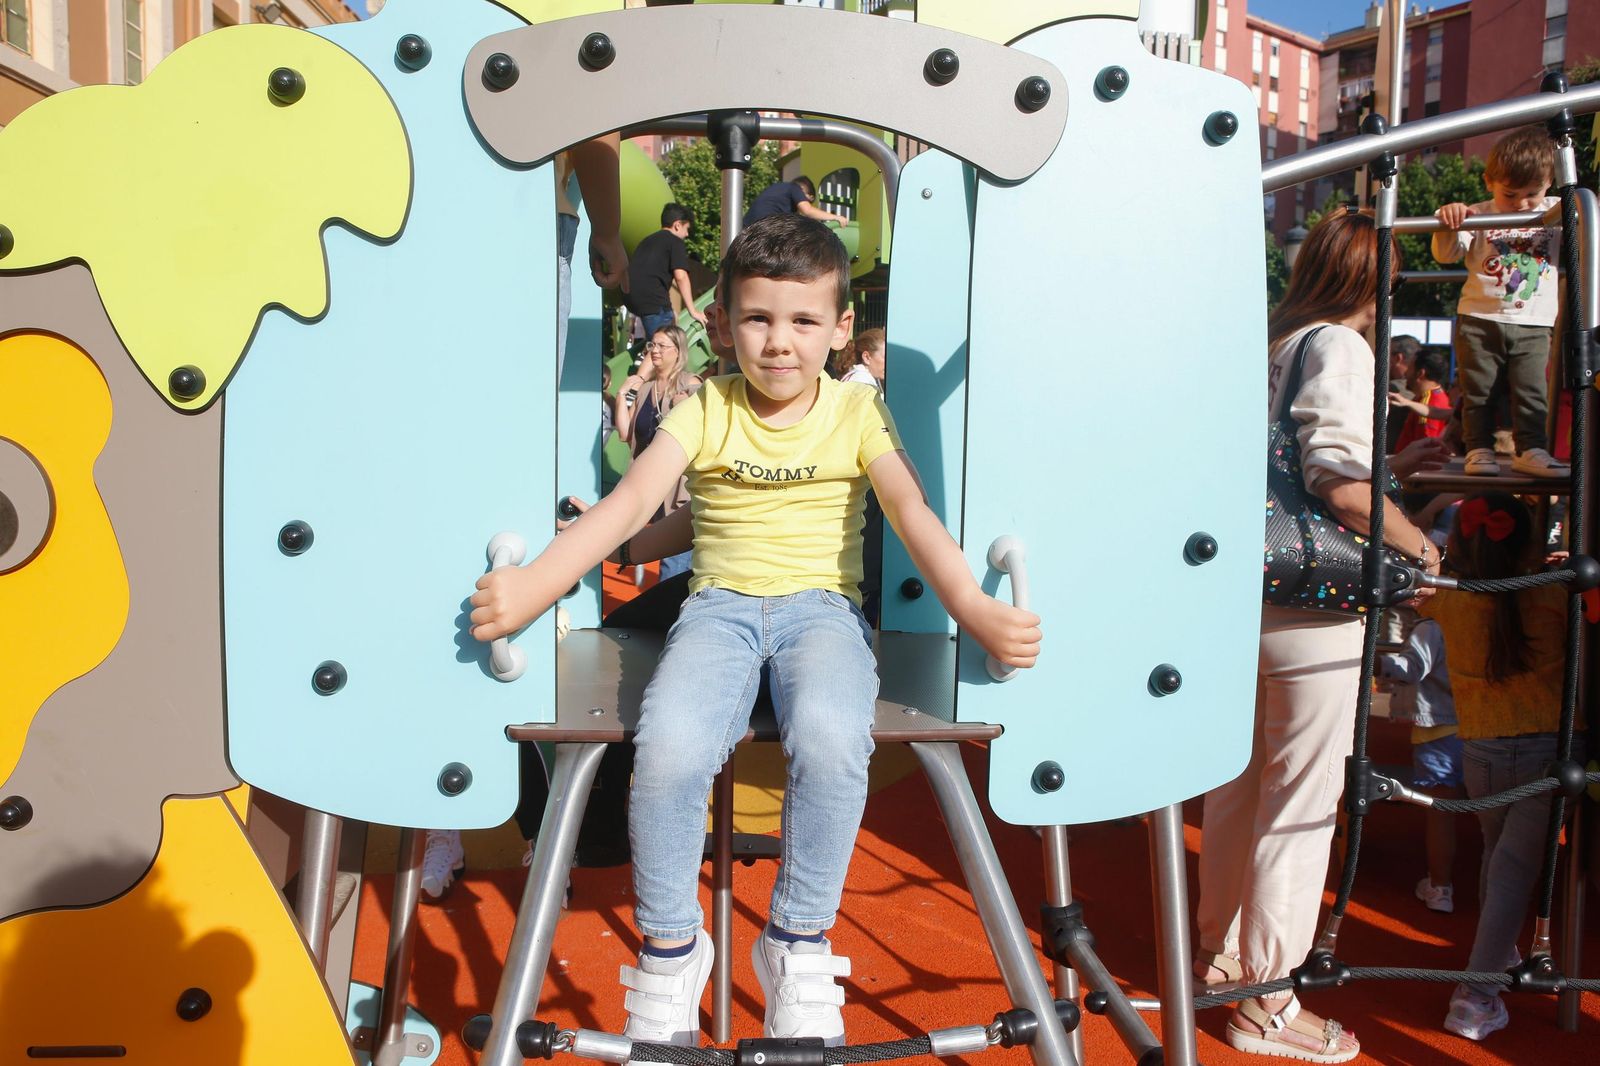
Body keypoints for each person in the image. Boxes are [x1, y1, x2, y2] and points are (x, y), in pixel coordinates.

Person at [470, 214, 1041, 1049]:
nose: (779, 342)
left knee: (834, 736)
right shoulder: (708, 409)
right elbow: (632, 503)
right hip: (720, 609)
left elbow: (910, 510)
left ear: (840, 328)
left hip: (822, 610)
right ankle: (671, 948)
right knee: (669, 746)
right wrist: (536, 587)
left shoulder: (857, 410)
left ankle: (797, 940)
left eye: (804, 320)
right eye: (758, 319)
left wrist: (973, 608)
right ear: (722, 322)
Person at [1194, 210, 1442, 1064]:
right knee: (1301, 798)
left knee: (1238, 781)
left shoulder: (1272, 343)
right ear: (1377, 278)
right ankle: (1267, 1001)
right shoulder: (1340, 345)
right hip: (1313, 598)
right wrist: (1421, 547)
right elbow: (1340, 483)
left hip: (1242, 588)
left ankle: (1220, 951)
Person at [423, 135, 630, 902]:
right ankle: (529, 831)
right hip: (518, 223)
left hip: (429, 222)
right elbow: (598, 132)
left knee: (464, 523)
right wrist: (608, 231)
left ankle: (483, 823)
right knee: (506, 475)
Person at [1425, 493, 1581, 1040]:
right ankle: (1475, 997)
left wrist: (1431, 522)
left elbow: (1410, 565)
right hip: (1550, 752)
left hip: (1482, 751)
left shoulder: (1450, 598)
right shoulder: (1558, 592)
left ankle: (1496, 959)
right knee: (1512, 871)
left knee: (1498, 858)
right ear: (1530, 543)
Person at [1432, 126, 1564, 478]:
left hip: (1533, 321)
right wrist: (1449, 222)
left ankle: (1531, 448)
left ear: (1549, 184)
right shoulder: (1478, 215)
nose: (1521, 204)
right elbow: (1446, 255)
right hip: (1480, 317)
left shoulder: (1554, 212)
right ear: (1489, 182)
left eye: (1532, 194)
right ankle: (1478, 449)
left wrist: (1582, 202)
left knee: (1532, 391)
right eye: (1510, 194)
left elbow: (1587, 214)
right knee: (1479, 391)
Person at [1376, 611, 1461, 913]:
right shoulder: (1473, 619)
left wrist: (1372, 662)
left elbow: (1411, 668)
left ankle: (1440, 887)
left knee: (1440, 814)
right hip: (1474, 728)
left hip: (1437, 729)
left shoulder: (1431, 627)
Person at [614, 324, 702, 579]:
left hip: (679, 488)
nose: (654, 351)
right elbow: (626, 434)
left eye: (662, 346)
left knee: (673, 564)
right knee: (667, 559)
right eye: (652, 345)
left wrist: (686, 404)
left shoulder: (691, 384)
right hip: (651, 484)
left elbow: (706, 419)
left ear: (678, 351)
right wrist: (621, 395)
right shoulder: (645, 390)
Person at [626, 203, 709, 345]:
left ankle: (647, 350)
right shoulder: (674, 241)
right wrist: (693, 311)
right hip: (653, 302)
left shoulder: (647, 241)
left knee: (657, 337)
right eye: (687, 229)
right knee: (666, 346)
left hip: (632, 299)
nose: (687, 234)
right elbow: (681, 277)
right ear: (677, 225)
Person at [1391, 345, 1454, 453]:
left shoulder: (1429, 401)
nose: (1405, 373)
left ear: (1420, 373)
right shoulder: (1430, 397)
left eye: (1409, 368)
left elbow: (1425, 444)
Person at [744, 175, 850, 228]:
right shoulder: (795, 188)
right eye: (806, 200)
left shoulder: (779, 188)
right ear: (804, 192)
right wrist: (836, 217)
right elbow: (807, 211)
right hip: (763, 226)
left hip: (746, 227)